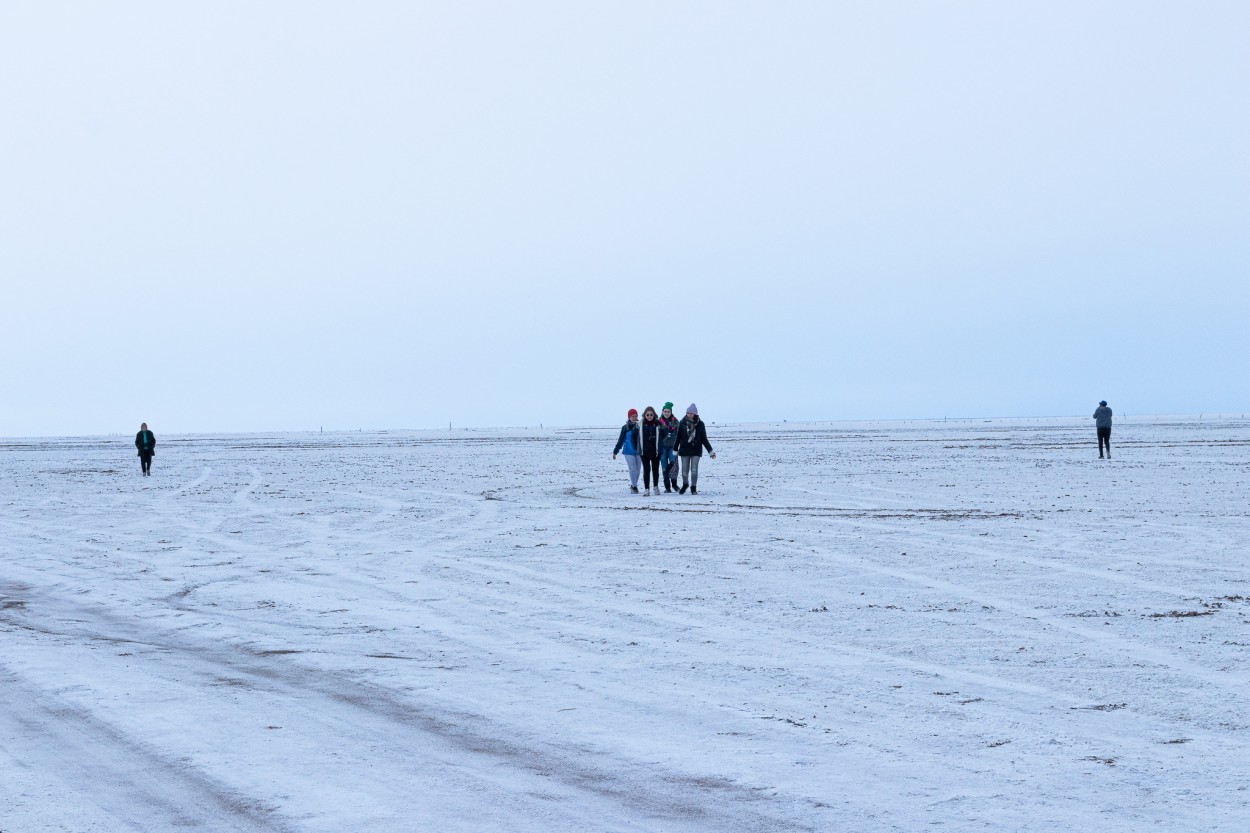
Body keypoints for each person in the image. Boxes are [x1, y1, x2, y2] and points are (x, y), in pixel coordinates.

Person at [674, 403, 715, 494]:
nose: (689, 415)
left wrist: (710, 451)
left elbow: (704, 439)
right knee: (684, 471)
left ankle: (693, 487)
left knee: (694, 470)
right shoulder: (682, 423)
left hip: (696, 450)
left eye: (691, 413)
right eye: (688, 413)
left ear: (695, 414)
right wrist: (675, 449)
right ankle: (685, 484)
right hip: (684, 450)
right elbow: (678, 437)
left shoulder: (700, 424)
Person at [612, 408, 642, 493]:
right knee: (632, 468)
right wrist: (615, 451)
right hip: (628, 451)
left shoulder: (639, 426)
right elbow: (621, 440)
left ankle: (633, 484)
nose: (634, 418)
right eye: (632, 416)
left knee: (638, 469)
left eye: (635, 416)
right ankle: (634, 486)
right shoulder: (625, 428)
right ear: (629, 417)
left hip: (638, 451)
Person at [638, 406, 663, 495]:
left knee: (655, 470)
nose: (649, 416)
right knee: (646, 470)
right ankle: (646, 489)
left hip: (656, 451)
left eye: (651, 414)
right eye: (647, 415)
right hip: (644, 452)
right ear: (644, 415)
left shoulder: (658, 423)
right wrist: (636, 446)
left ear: (654, 415)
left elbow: (665, 433)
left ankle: (656, 487)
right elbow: (633, 435)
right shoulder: (640, 424)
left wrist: (659, 442)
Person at [658, 402, 680, 493]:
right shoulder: (658, 422)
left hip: (672, 447)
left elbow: (680, 434)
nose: (666, 413)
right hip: (662, 448)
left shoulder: (675, 421)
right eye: (665, 411)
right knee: (664, 467)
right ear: (662, 412)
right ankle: (667, 487)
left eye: (668, 411)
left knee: (674, 466)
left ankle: (674, 484)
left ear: (671, 412)